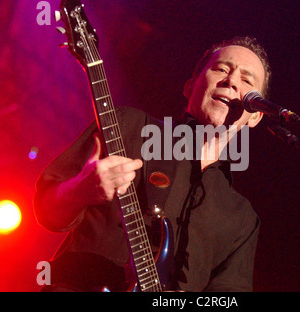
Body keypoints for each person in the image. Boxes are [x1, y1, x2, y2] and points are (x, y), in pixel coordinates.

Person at [34, 36, 271, 292]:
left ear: (256, 116)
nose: (231, 81)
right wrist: (81, 189)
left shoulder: (240, 216)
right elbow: (47, 212)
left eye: (247, 80)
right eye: (221, 69)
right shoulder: (129, 126)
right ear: (190, 86)